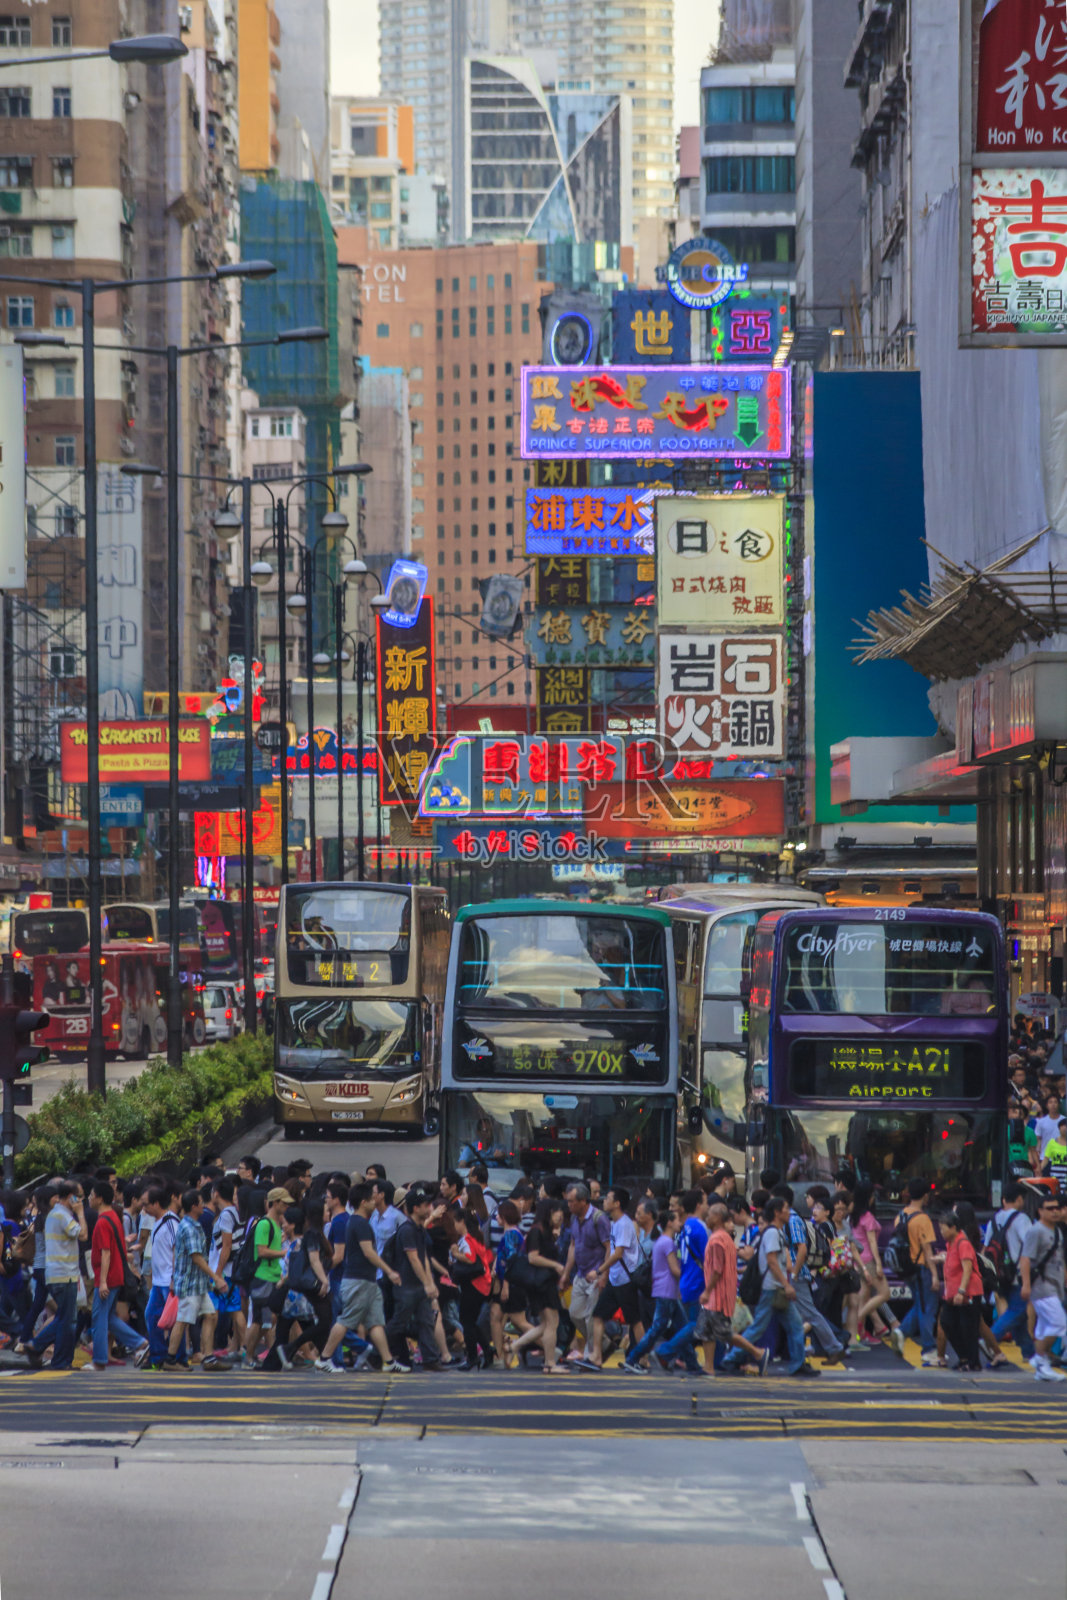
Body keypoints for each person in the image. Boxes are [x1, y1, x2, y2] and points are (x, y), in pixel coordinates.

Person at [723, 1195, 818, 1379]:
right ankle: (731, 1359)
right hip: (772, 1289)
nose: (788, 1211)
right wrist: (786, 1284)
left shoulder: (777, 1232)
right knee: (758, 1327)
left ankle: (797, 1364)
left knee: (796, 1326)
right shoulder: (773, 1233)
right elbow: (772, 1262)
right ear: (776, 1212)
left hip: (777, 1290)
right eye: (785, 1208)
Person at [317, 1183, 406, 1374]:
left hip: (366, 1280)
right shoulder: (360, 1223)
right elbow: (369, 1252)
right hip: (358, 1281)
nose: (375, 1202)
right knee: (346, 1319)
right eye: (372, 1199)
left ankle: (388, 1362)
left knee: (375, 1322)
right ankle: (324, 1358)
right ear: (364, 1202)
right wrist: (389, 1271)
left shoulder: (356, 1222)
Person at [696, 1203, 771, 1375]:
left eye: (710, 1216)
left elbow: (716, 1270)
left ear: (718, 1219)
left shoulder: (716, 1241)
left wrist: (707, 1291)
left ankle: (758, 1353)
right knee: (706, 1331)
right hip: (722, 1293)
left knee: (724, 1333)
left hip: (717, 1295)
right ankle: (708, 1368)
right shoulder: (725, 1238)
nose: (707, 1219)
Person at [776, 1184, 846, 1364]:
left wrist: (795, 1274)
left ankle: (835, 1346)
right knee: (797, 1315)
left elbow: (802, 1249)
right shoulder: (786, 1220)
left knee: (810, 1314)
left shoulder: (792, 1221)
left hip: (795, 1275)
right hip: (789, 1274)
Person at [578, 1187, 646, 1371]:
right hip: (616, 1280)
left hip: (625, 1280)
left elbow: (617, 1254)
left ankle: (644, 1360)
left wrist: (599, 1271)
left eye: (607, 1198)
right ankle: (596, 1357)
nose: (604, 1201)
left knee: (635, 1321)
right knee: (599, 1316)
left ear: (617, 1204)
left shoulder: (624, 1224)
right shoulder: (615, 1223)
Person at [88, 1181, 150, 1371]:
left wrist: (103, 1281)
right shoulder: (114, 1217)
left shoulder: (102, 1222)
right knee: (109, 1317)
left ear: (99, 1198)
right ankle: (140, 1343)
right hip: (116, 1275)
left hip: (107, 1277)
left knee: (99, 1318)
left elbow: (106, 1252)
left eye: (91, 1195)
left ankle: (98, 1360)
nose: (89, 1198)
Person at [385, 1186, 449, 1370]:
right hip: (406, 1287)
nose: (429, 1208)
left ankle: (430, 1359)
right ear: (415, 1208)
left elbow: (424, 1259)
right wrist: (427, 1283)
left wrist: (430, 1283)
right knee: (399, 1322)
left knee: (427, 1321)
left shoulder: (420, 1229)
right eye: (425, 1205)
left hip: (418, 1287)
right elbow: (413, 1259)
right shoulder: (407, 1230)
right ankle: (376, 1351)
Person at [165, 1189, 229, 1372]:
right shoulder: (188, 1227)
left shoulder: (194, 1224)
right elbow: (196, 1257)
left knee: (210, 1315)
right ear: (194, 1206)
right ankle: (170, 1360)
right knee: (183, 1320)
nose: (204, 1206)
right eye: (201, 1203)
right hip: (190, 1284)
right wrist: (215, 1277)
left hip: (198, 1284)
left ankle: (209, 1358)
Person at [24, 1182, 86, 1370]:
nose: (81, 1200)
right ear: (71, 1197)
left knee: (64, 1318)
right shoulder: (62, 1215)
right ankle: (60, 1361)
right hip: (63, 1274)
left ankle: (36, 1345)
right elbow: (82, 1235)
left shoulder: (55, 1214)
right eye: (79, 1197)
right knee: (68, 1321)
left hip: (58, 1273)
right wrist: (81, 1213)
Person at [649, 1189, 707, 1376]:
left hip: (685, 1280)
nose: (707, 1206)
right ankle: (665, 1350)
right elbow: (708, 1259)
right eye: (705, 1202)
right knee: (696, 1325)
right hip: (697, 1282)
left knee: (687, 1325)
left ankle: (692, 1363)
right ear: (698, 1205)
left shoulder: (685, 1228)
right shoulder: (699, 1227)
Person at [508, 1197, 569, 1373]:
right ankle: (550, 1363)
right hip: (541, 1284)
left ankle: (515, 1346)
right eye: (559, 1212)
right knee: (552, 1322)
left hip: (544, 1282)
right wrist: (556, 1265)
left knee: (546, 1324)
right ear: (550, 1212)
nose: (561, 1216)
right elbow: (533, 1257)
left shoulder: (546, 1231)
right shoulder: (537, 1231)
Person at [850, 1182, 904, 1352]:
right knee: (884, 1293)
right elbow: (872, 1243)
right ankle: (857, 1321)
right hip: (868, 1261)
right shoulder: (868, 1218)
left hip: (857, 1261)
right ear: (869, 1198)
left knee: (864, 1297)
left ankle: (859, 1331)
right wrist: (879, 1264)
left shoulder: (853, 1217)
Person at [559, 1182, 610, 1356]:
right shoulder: (574, 1219)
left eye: (572, 1201)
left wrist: (603, 1274)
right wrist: (566, 1272)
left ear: (583, 1201)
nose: (569, 1205)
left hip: (595, 1273)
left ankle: (591, 1354)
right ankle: (601, 1343)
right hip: (581, 1274)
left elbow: (609, 1247)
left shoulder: (599, 1218)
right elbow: (573, 1245)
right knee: (575, 1313)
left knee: (590, 1316)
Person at [1020, 1194, 1067, 1382]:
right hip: (1042, 1287)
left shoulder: (1057, 1231)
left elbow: (1059, 1260)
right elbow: (1025, 1259)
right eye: (1049, 1208)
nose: (1054, 1211)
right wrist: (1026, 1284)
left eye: (1056, 1208)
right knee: (1059, 1324)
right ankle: (1040, 1362)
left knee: (1045, 1328)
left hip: (1054, 1287)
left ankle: (1040, 1363)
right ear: (1040, 1211)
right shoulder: (1036, 1231)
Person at [895, 1179, 941, 1366]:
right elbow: (928, 1250)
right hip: (922, 1267)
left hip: (906, 1268)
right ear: (925, 1196)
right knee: (928, 1308)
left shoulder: (901, 1216)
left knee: (920, 1305)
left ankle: (901, 1331)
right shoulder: (923, 1219)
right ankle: (929, 1349)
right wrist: (935, 1275)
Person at [989, 1181, 1036, 1361]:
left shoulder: (995, 1218)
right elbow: (1031, 1244)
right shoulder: (1021, 1219)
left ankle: (1029, 1353)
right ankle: (990, 1338)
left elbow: (987, 1247)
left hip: (999, 1274)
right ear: (1018, 1199)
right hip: (1016, 1274)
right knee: (1017, 1311)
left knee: (1020, 1318)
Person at [243, 1187, 288, 1365]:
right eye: (284, 1203)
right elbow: (261, 1251)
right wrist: (283, 1252)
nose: (286, 1206)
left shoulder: (276, 1224)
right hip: (263, 1277)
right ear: (275, 1202)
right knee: (259, 1320)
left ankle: (250, 1353)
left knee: (268, 1319)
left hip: (273, 1276)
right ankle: (247, 1355)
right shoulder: (264, 1224)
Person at [448, 1205, 495, 1369]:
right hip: (482, 1284)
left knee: (466, 1322)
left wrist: (455, 1254)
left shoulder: (468, 1239)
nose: (454, 1225)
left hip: (473, 1285)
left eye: (455, 1221)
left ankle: (473, 1357)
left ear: (462, 1222)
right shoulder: (477, 1236)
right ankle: (488, 1351)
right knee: (471, 1322)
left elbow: (469, 1258)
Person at [937, 1209, 983, 1372]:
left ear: (954, 1227)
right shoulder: (951, 1243)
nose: (941, 1232)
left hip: (968, 1292)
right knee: (947, 1322)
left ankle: (972, 1362)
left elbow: (967, 1269)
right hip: (953, 1293)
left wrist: (961, 1291)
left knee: (968, 1327)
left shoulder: (963, 1243)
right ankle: (964, 1357)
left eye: (943, 1228)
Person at [1041, 1117, 1067, 1194]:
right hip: (1055, 1173)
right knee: (1054, 1192)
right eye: (1063, 1126)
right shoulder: (1052, 1143)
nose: (1065, 1128)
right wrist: (1039, 1170)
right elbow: (1046, 1158)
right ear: (1059, 1128)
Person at [1034, 1094, 1064, 1158]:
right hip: (1045, 1156)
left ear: (1058, 1105)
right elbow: (1038, 1138)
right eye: (1050, 1102)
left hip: (1061, 1157)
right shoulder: (1041, 1122)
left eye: (1055, 1102)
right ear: (1047, 1105)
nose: (1053, 1105)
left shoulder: (1064, 1121)